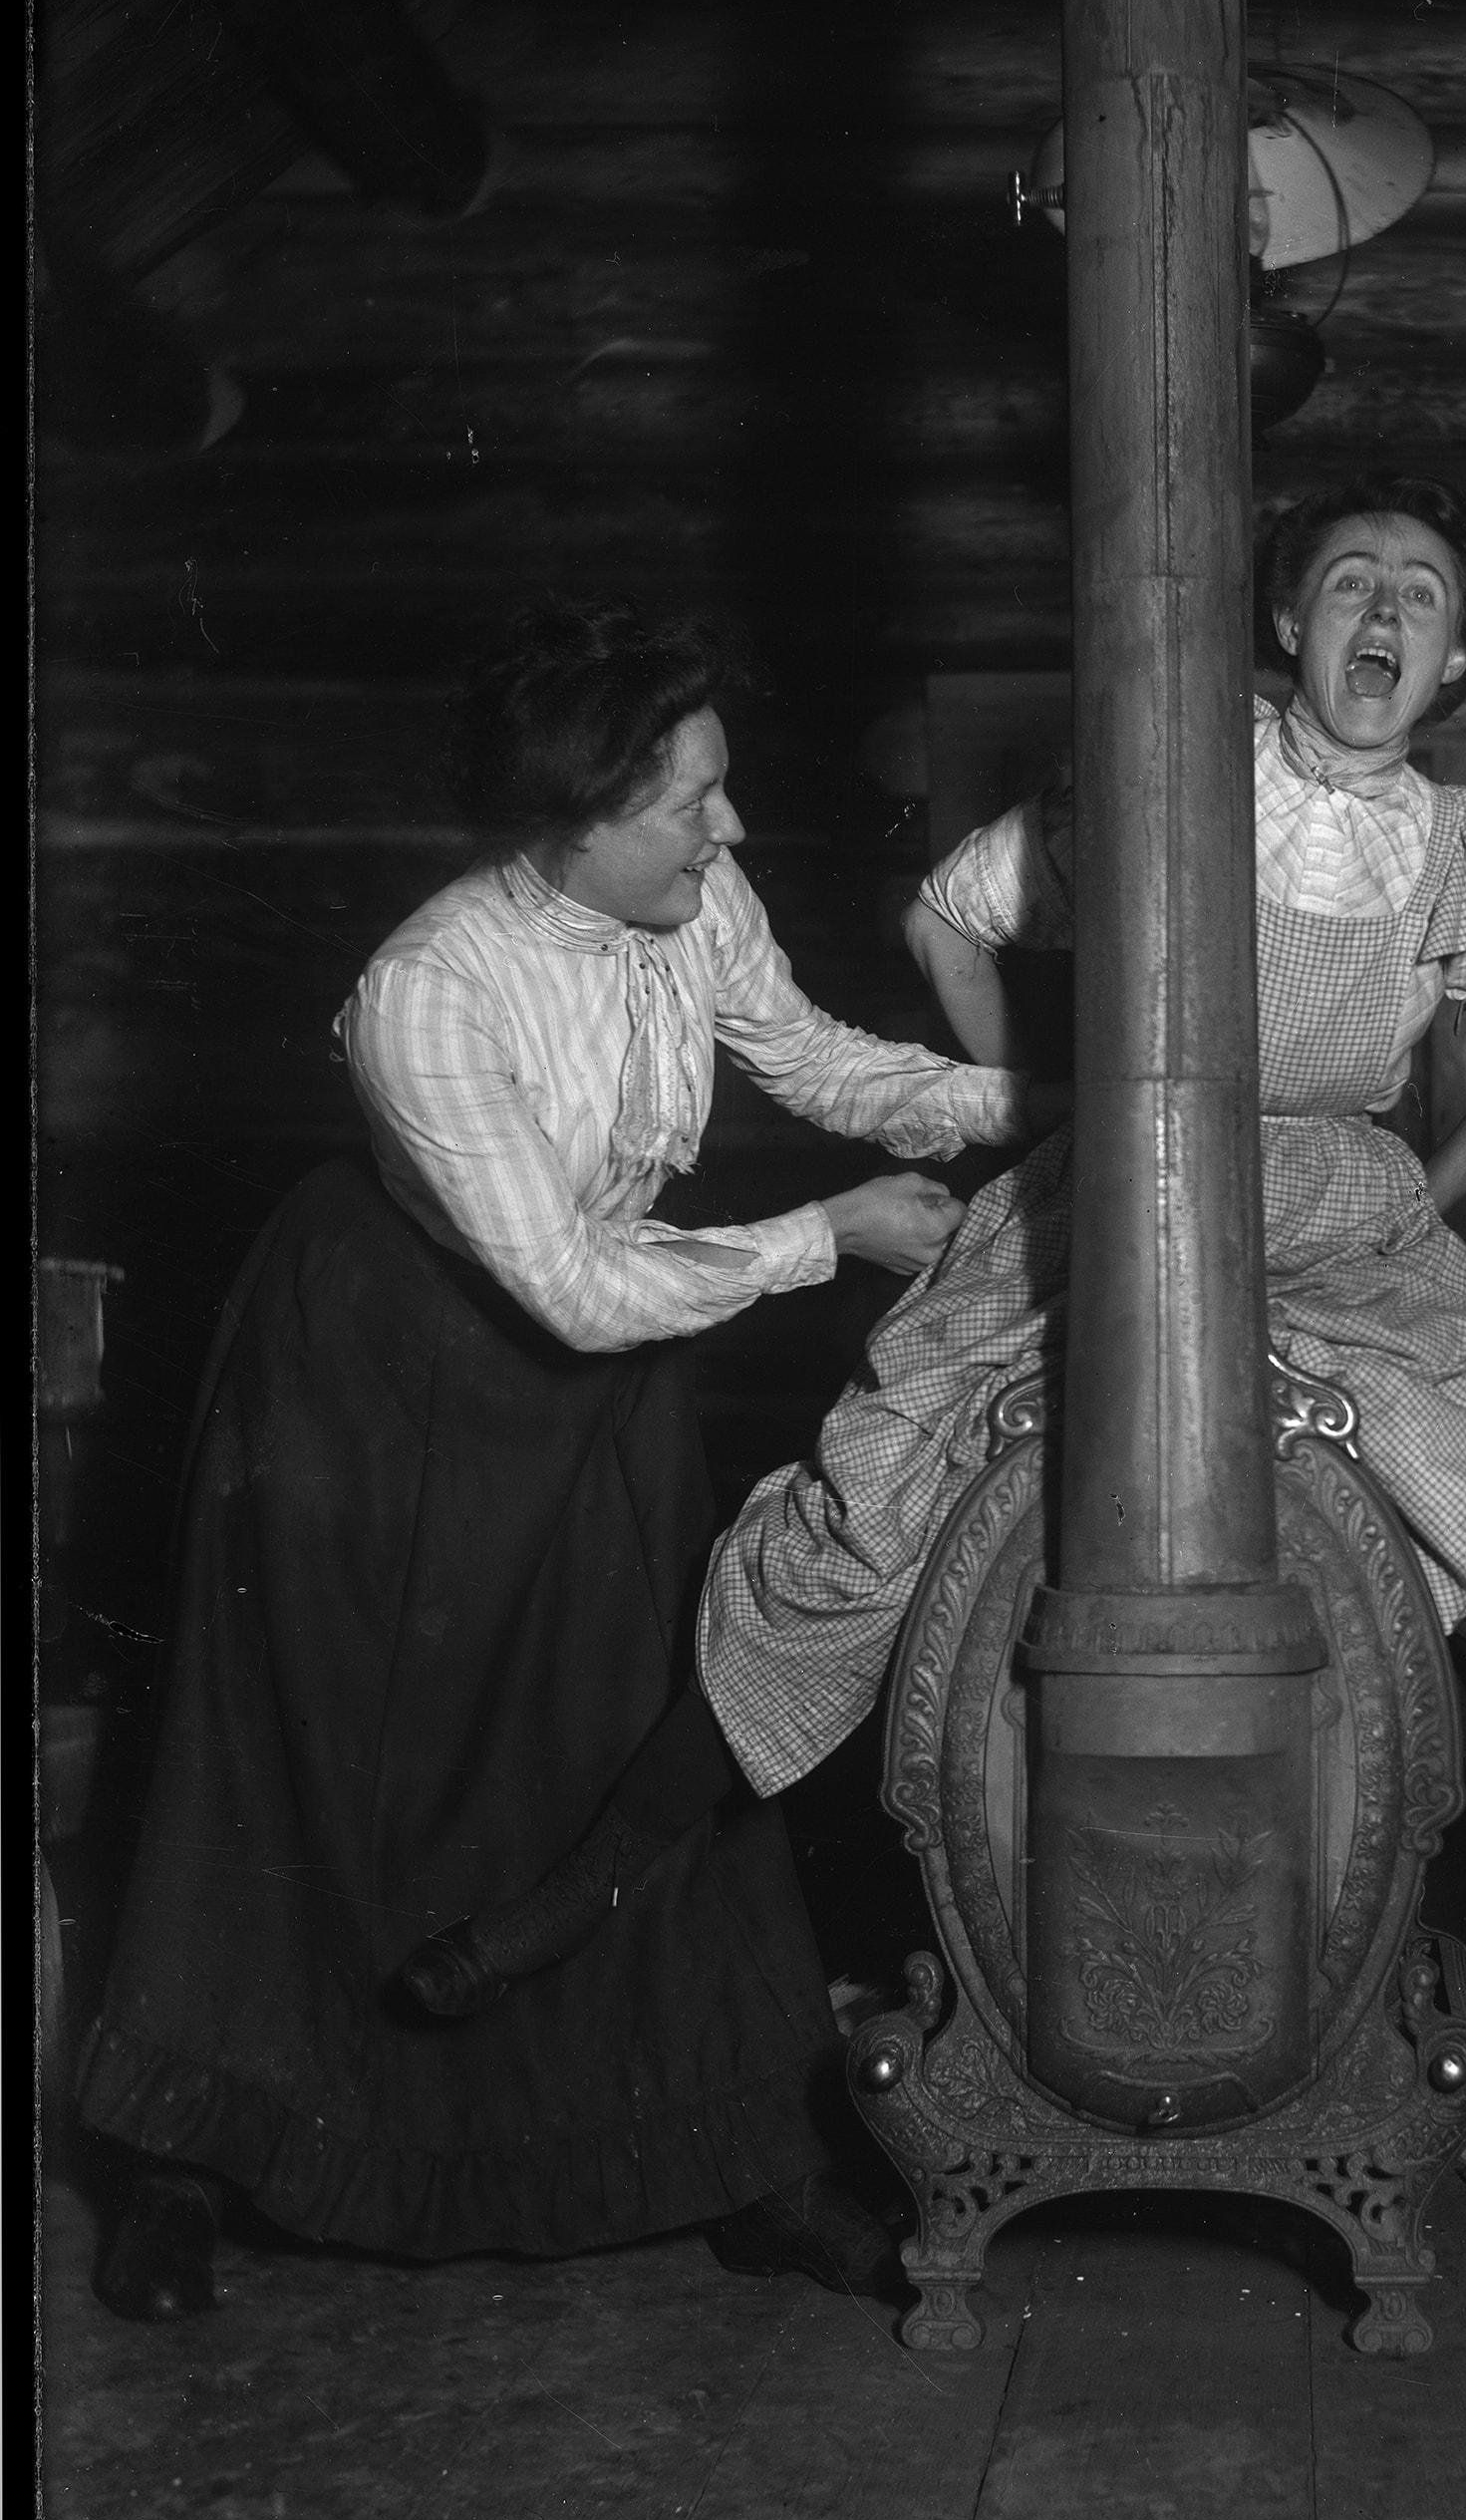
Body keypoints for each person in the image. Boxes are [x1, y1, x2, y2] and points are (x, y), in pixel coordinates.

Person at [671, 478, 1466, 2101]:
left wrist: (1421, 1187)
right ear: (1285, 622)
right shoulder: (1173, 776)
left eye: (1423, 600)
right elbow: (947, 913)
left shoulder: (1465, 854)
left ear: (1454, 664)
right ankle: (625, 1883)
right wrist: (1052, 1103)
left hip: (1335, 1225)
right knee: (881, 1506)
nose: (1383, 619)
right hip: (1134, 1195)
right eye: (1349, 586)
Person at [79, 600, 1043, 2323]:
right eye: (691, 802)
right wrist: (826, 1235)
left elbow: (811, 1058)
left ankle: (732, 2162)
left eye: (724, 790)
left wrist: (1026, 1097)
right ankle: (191, 2161)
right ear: (573, 816)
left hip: (596, 1363)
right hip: (376, 1375)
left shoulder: (691, 902)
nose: (729, 829)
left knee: (649, 1716)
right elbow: (576, 1285)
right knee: (318, 1761)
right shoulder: (429, 991)